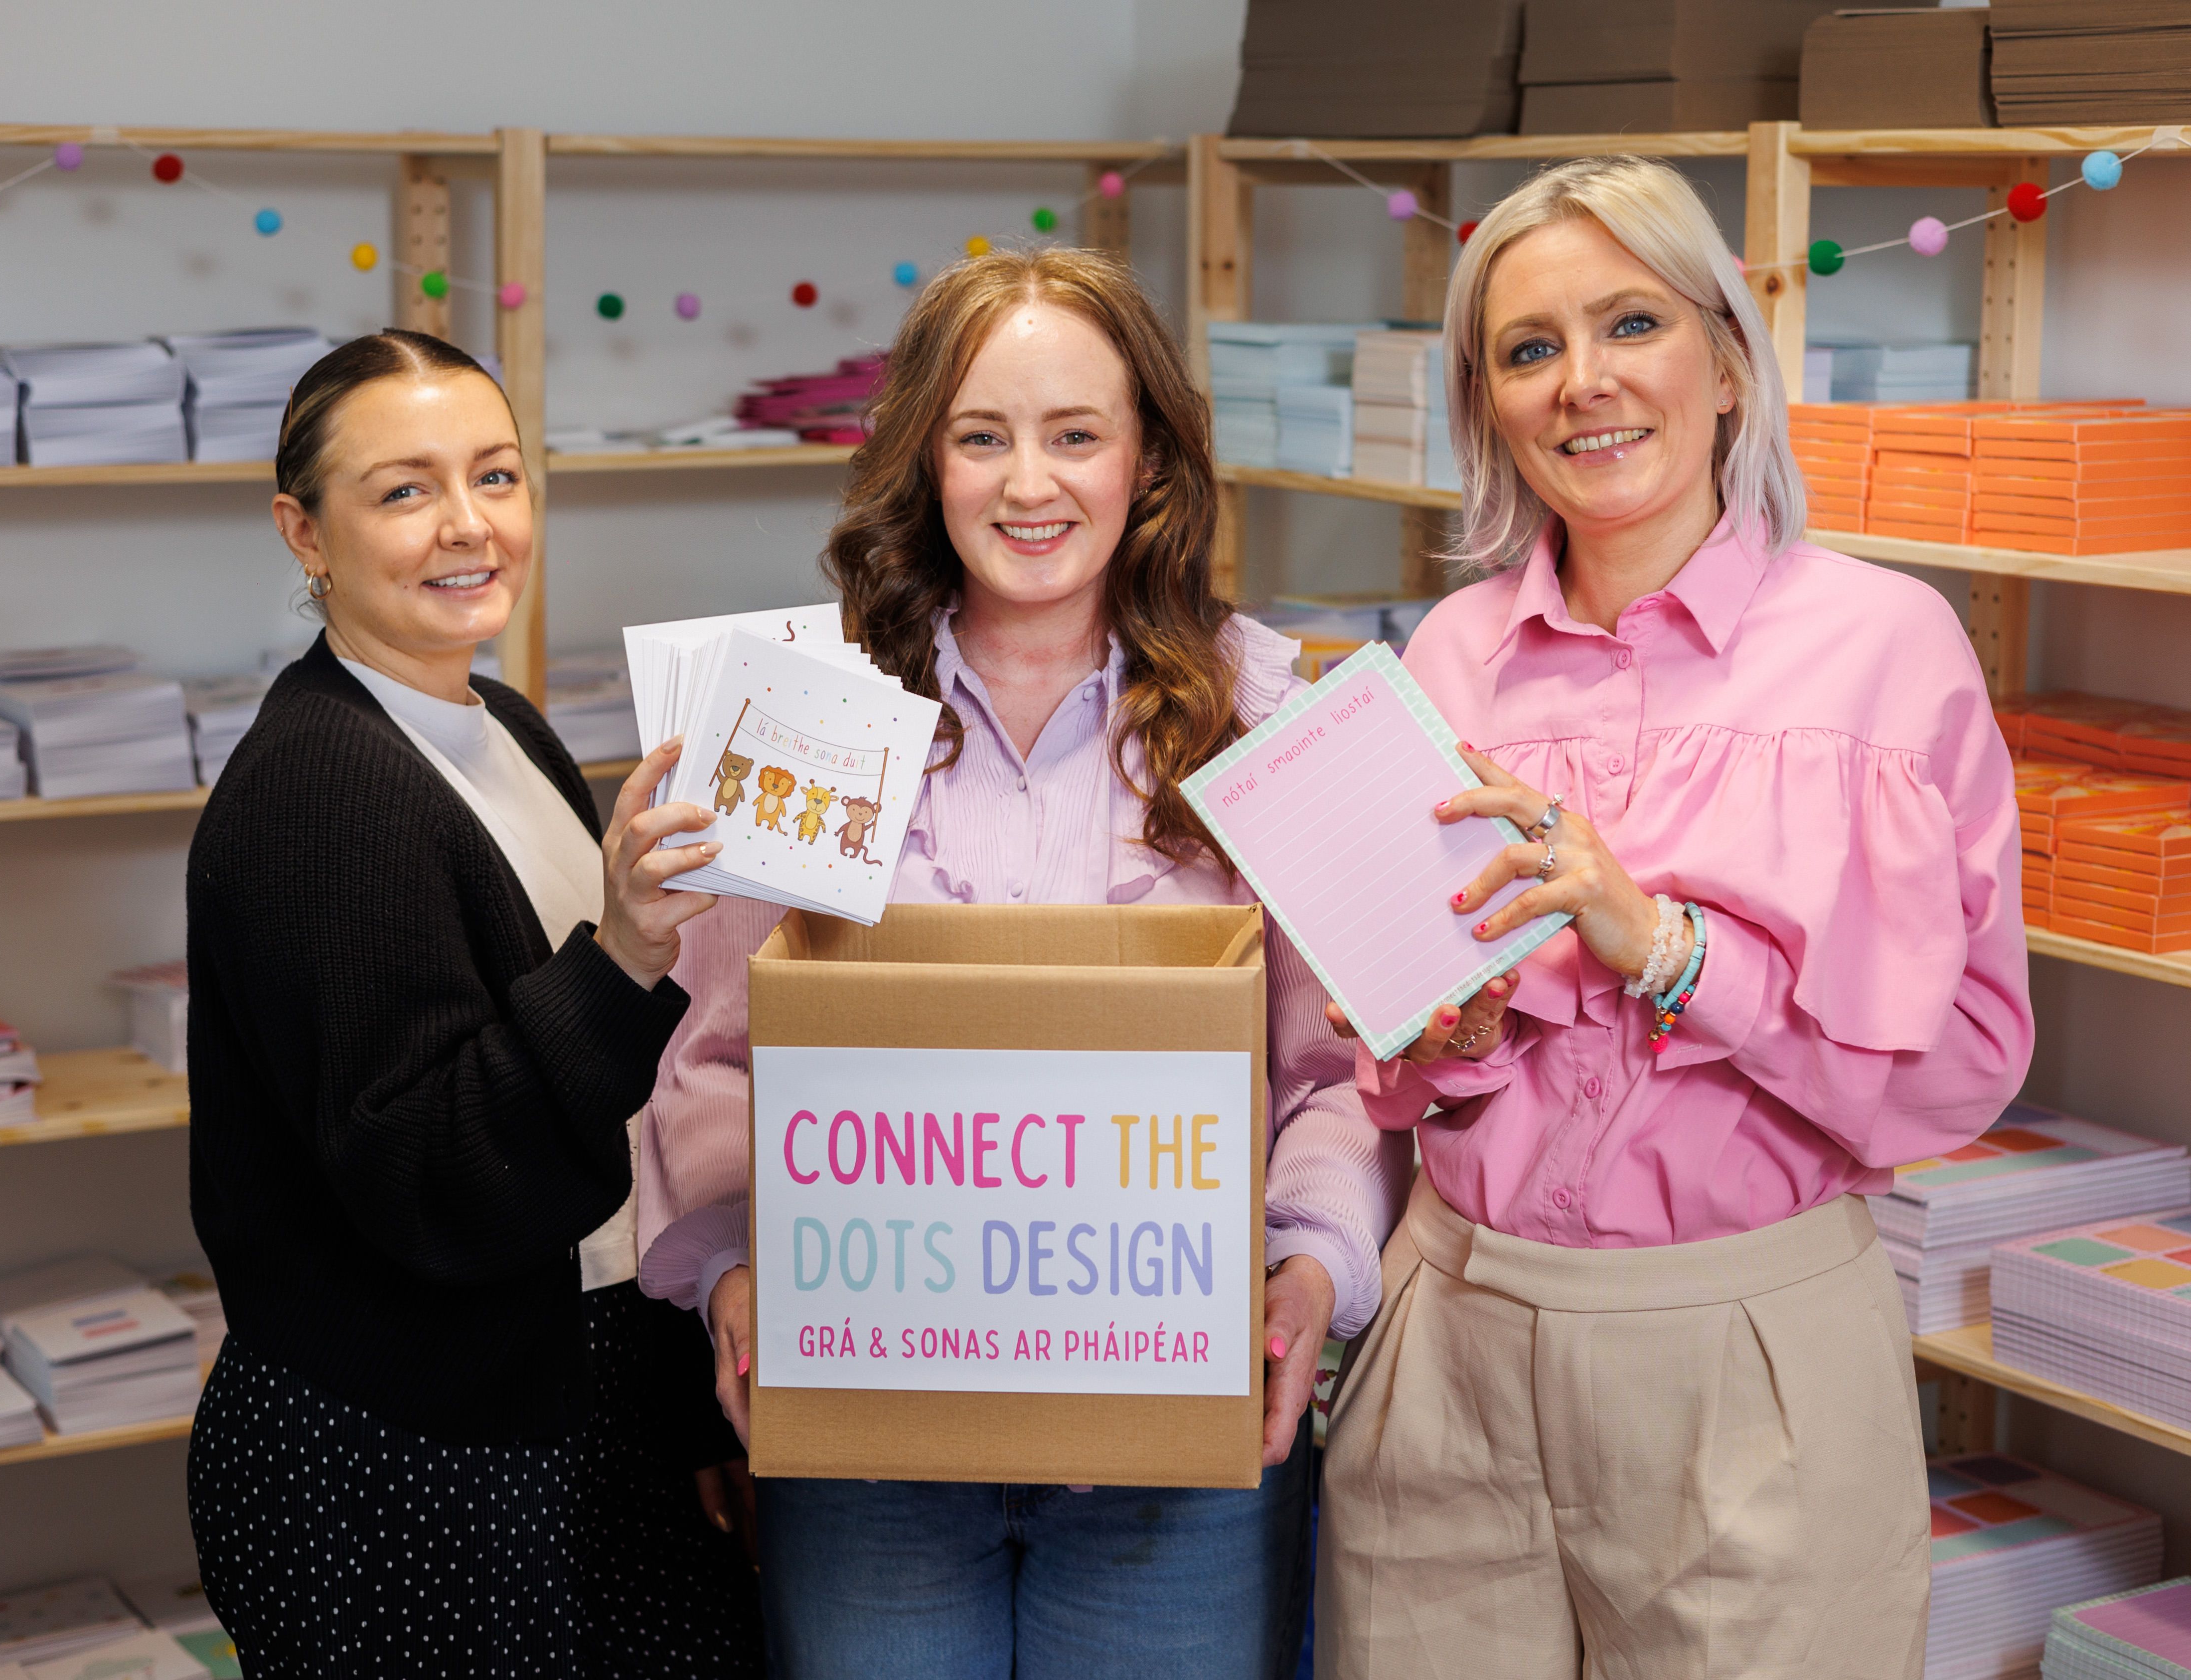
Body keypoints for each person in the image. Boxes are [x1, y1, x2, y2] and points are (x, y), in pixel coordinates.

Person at [636, 247, 1412, 1678]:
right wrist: (740, 1266)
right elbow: (716, 1055)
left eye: (1075, 435)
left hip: (1177, 1453)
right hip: (871, 1447)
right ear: (923, 458)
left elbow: (1331, 1075)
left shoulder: (1272, 713)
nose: (1028, 484)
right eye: (981, 437)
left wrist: (1307, 1275)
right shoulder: (813, 716)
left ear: (1149, 458)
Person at [1313, 155, 2035, 1679]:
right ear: (1489, 404)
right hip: (1453, 1338)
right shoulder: (1443, 659)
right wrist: (1442, 1026)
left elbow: (1965, 1062)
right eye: (1528, 349)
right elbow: (1395, 1074)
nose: (1583, 384)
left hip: (1747, 1350)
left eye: (1628, 322)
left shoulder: (1886, 651)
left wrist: (1670, 952)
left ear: (1721, 358)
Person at [185, 329, 760, 1678]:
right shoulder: (322, 789)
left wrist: (679, 1414)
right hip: (409, 1454)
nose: (469, 525)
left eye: (496, 476)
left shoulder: (497, 721)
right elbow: (438, 1173)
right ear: (303, 533)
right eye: (402, 490)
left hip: (579, 1394)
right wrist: (618, 954)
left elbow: (614, 1153)